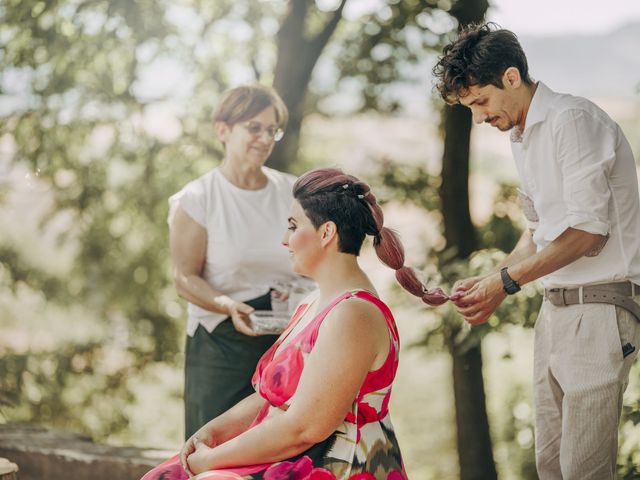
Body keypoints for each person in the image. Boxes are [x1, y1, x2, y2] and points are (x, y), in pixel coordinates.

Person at [433, 22, 640, 480]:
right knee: (550, 466)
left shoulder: (572, 120)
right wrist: (491, 282)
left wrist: (505, 282)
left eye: (481, 102)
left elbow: (587, 232)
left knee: (583, 471)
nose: (480, 118)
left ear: (511, 77)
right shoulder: (522, 136)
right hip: (555, 312)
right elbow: (538, 234)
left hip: (600, 307)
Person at [143, 167, 445, 480]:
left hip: (336, 466)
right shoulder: (311, 303)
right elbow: (267, 398)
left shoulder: (355, 315)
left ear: (326, 233)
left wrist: (210, 462)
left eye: (292, 226)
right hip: (287, 457)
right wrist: (211, 434)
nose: (285, 240)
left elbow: (304, 428)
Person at [169, 85, 301, 440]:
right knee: (214, 455)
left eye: (272, 129)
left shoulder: (293, 193)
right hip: (221, 344)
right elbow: (184, 278)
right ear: (223, 129)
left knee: (280, 456)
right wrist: (229, 306)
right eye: (253, 127)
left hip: (288, 343)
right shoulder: (198, 199)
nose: (264, 138)